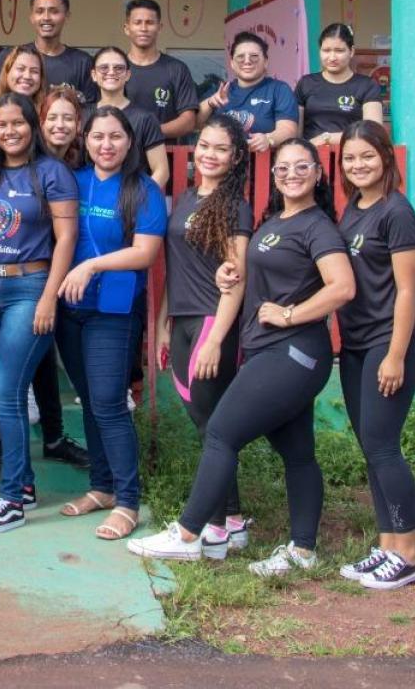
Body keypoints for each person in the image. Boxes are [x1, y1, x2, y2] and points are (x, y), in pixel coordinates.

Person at [128, 139, 355, 576]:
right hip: (270, 349)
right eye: (283, 168)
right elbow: (256, 275)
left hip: (294, 352)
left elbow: (342, 287)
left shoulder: (318, 226)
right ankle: (303, 551)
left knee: (221, 433)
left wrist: (290, 314)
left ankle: (190, 533)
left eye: (301, 167)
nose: (291, 174)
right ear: (273, 176)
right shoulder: (275, 222)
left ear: (318, 173)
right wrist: (227, 273)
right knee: (298, 453)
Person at [0, 92, 79, 534]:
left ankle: (11, 496)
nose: (10, 131)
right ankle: (25, 485)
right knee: (4, 392)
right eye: (1, 124)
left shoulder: (52, 173)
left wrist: (50, 296)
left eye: (18, 123)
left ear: (32, 126)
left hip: (29, 287)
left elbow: (66, 239)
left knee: (7, 392)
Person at [55, 107, 166, 542]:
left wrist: (92, 267)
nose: (106, 145)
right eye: (98, 136)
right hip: (70, 308)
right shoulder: (73, 182)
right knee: (88, 399)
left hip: (113, 311)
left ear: (129, 142)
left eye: (115, 137)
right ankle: (100, 488)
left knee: (109, 403)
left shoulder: (143, 190)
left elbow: (145, 253)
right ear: (85, 140)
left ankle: (127, 501)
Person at [332, 121, 415, 589]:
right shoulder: (353, 207)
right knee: (371, 446)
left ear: (386, 157)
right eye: (350, 158)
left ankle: (409, 553)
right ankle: (388, 543)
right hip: (356, 343)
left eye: (366, 156)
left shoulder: (397, 212)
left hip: (391, 341)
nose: (358, 165)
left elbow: (407, 290)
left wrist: (395, 354)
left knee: (383, 444)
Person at [159, 115, 254, 559]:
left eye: (220, 149)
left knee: (211, 425)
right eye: (205, 146)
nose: (209, 154)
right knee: (207, 425)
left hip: (212, 321)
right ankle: (231, 520)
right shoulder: (185, 198)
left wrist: (217, 337)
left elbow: (237, 277)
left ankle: (214, 525)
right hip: (181, 320)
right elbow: (175, 266)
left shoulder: (236, 205)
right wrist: (163, 320)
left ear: (235, 158)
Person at [197, 32, 301, 152]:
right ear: (232, 63)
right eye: (240, 56)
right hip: (223, 164)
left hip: (263, 164)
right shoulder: (220, 90)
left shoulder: (279, 90)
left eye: (254, 56)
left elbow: (288, 129)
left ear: (266, 61)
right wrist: (210, 103)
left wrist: (268, 139)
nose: (247, 61)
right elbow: (195, 124)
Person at [297, 22, 385, 154]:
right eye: (326, 50)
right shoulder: (306, 83)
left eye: (339, 51)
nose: (332, 57)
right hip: (310, 160)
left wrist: (327, 138)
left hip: (351, 159)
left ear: (352, 51)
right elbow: (296, 133)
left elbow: (373, 131)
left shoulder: (367, 85)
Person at [89, 46, 170, 186]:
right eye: (104, 68)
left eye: (118, 68)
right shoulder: (84, 114)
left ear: (127, 75)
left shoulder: (145, 119)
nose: (111, 72)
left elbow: (161, 171)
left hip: (131, 199)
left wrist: (140, 199)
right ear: (94, 75)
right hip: (89, 199)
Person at [121, 0, 199, 139]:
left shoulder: (177, 69)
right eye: (137, 22)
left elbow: (188, 121)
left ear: (160, 27)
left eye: (150, 22)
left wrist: (149, 132)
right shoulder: (116, 69)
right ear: (127, 28)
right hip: (121, 156)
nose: (144, 28)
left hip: (165, 157)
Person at [30, 0, 97, 100]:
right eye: (39, 11)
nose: (46, 17)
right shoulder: (15, 57)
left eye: (54, 11)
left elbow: (91, 108)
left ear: (67, 16)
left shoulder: (83, 62)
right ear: (31, 17)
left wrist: (73, 96)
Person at [39, 86, 87, 169]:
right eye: (52, 118)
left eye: (68, 118)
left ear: (78, 125)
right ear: (42, 124)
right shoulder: (30, 162)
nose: (60, 125)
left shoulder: (83, 161)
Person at [0, 44, 47, 111]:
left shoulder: (48, 118)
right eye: (21, 69)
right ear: (7, 72)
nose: (27, 76)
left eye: (34, 71)